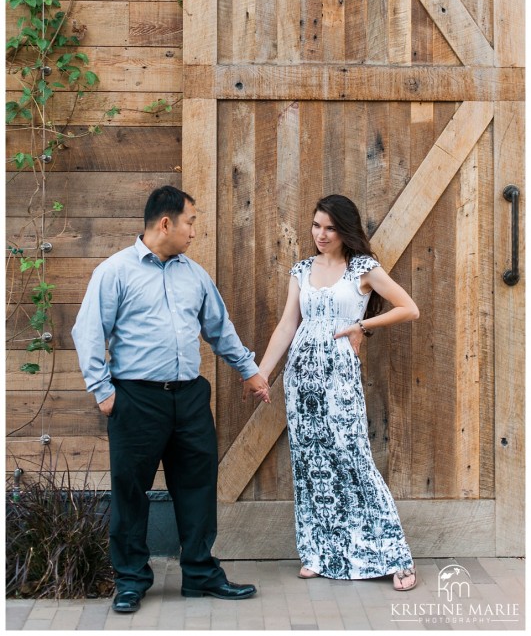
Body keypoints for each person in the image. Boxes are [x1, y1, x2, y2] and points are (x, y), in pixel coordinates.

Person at [72, 185, 270, 614]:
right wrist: (104, 394)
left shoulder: (194, 275)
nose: (194, 232)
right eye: (191, 222)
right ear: (166, 223)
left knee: (198, 486)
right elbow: (87, 333)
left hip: (190, 397)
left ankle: (200, 574)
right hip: (136, 399)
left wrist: (249, 372)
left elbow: (219, 328)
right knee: (131, 491)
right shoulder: (115, 272)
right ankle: (130, 580)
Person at [257, 194, 419, 590]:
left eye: (329, 227)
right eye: (316, 226)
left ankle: (396, 558)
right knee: (310, 463)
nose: (321, 235)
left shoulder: (363, 268)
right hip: (301, 378)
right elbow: (286, 326)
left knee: (353, 458)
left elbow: (408, 308)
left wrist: (363, 327)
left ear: (345, 230)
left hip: (339, 377)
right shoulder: (301, 269)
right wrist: (260, 374)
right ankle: (317, 553)